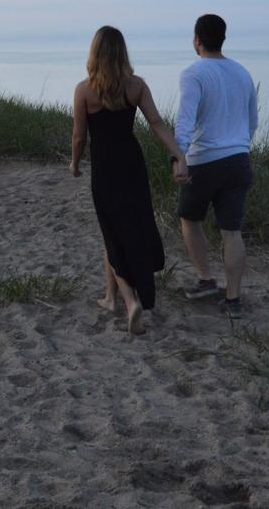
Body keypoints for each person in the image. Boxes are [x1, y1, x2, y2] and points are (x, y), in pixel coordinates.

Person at [70, 26, 188, 334]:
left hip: (105, 168)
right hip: (132, 165)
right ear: (122, 52)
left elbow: (79, 135)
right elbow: (157, 123)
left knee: (111, 232)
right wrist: (179, 155)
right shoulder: (136, 86)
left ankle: (129, 300)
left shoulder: (84, 90)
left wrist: (74, 163)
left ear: (95, 52)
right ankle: (110, 298)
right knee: (133, 226)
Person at [174, 14, 258, 317]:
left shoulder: (193, 73)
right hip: (238, 159)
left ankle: (206, 279)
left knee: (189, 217)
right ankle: (233, 299)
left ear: (197, 40)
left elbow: (184, 121)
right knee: (231, 231)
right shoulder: (242, 73)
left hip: (204, 161)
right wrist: (239, 146)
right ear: (222, 39)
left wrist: (178, 158)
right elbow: (252, 122)